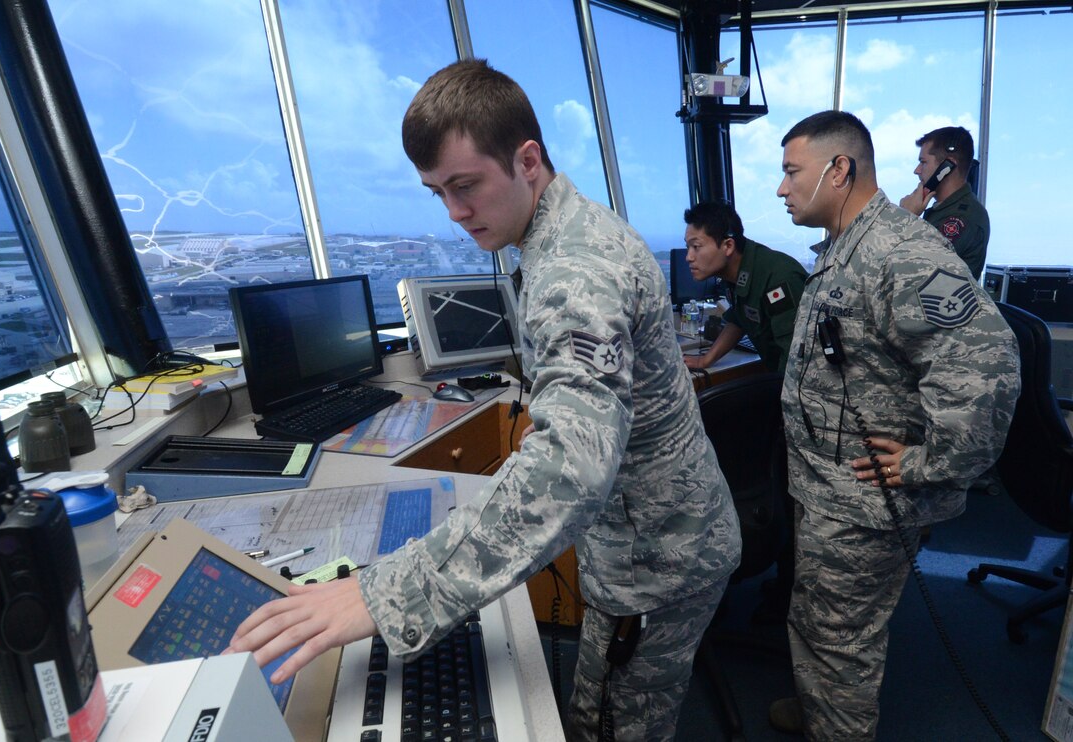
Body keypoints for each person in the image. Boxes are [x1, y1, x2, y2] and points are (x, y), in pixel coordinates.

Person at [227, 59, 741, 742]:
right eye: (438, 192)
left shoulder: (573, 272)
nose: (455, 212)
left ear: (528, 160)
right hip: (655, 533)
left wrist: (382, 594)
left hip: (660, 559)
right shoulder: (570, 230)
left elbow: (570, 470)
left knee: (609, 725)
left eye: (466, 186)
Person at [772, 110, 1019, 740]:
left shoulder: (900, 251)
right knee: (817, 620)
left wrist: (924, 464)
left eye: (791, 172)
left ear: (839, 169)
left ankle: (836, 724)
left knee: (840, 642)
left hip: (867, 499)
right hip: (829, 488)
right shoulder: (847, 247)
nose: (781, 188)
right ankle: (816, 708)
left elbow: (987, 365)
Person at [681, 200, 807, 373]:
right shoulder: (735, 273)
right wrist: (705, 360)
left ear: (728, 246)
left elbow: (797, 357)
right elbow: (740, 318)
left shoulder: (777, 279)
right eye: (688, 247)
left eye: (696, 247)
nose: (688, 257)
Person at [899, 125, 990, 280]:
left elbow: (915, 272)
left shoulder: (961, 218)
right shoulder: (942, 210)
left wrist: (905, 218)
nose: (917, 170)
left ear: (947, 167)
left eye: (923, 162)